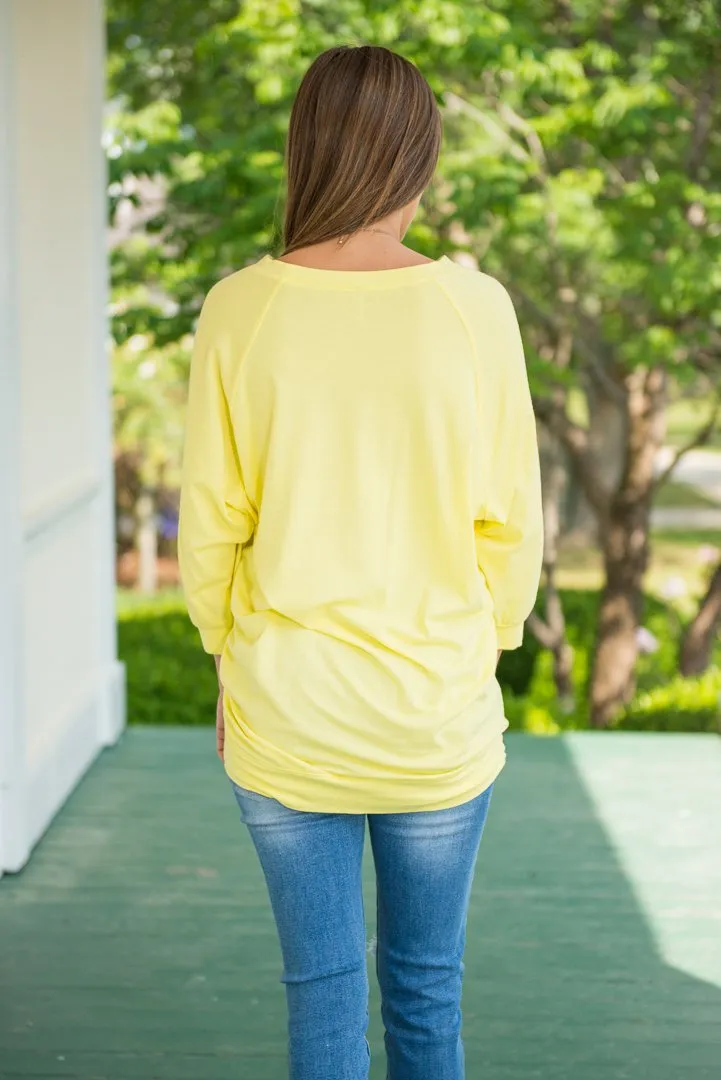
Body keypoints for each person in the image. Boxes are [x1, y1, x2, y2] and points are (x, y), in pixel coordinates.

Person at [178, 43, 543, 1080]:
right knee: (428, 994)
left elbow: (211, 525)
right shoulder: (476, 309)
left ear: (304, 153)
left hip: (286, 714)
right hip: (435, 713)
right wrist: (487, 647)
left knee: (324, 1002)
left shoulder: (239, 309)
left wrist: (223, 655)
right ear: (419, 158)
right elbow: (510, 525)